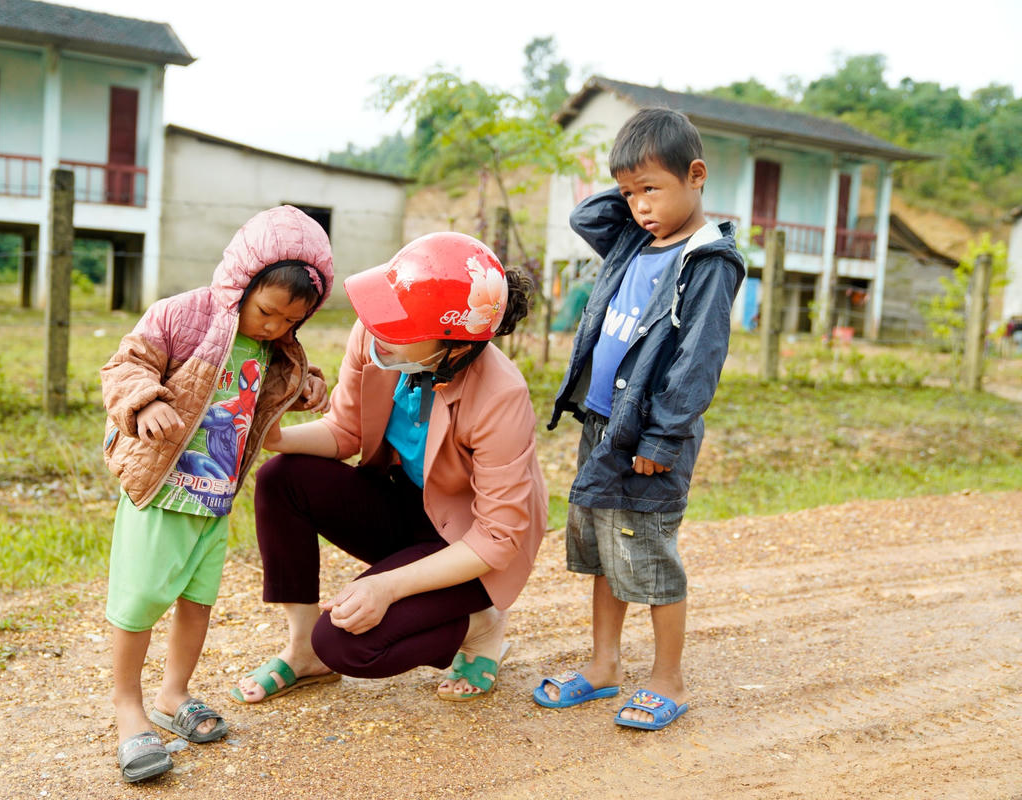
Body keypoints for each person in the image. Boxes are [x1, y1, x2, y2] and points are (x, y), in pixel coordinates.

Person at [230, 232, 546, 706]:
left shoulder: (501, 394)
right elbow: (346, 431)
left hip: (470, 543)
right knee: (281, 478)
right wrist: (273, 436)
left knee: (344, 644)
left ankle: (479, 627)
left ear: (455, 347)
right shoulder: (378, 336)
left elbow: (497, 536)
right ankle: (302, 652)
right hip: (409, 506)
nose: (379, 329)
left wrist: (387, 586)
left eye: (402, 325)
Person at [99, 205, 334, 782]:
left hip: (214, 497)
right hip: (161, 489)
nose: (274, 327)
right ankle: (128, 708)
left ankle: (173, 693)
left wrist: (307, 388)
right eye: (266, 311)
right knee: (139, 600)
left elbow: (276, 390)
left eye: (290, 320)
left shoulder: (276, 347)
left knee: (197, 601)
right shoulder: (182, 316)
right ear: (241, 282)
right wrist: (145, 402)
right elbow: (125, 365)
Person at [533, 108, 745, 730]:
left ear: (696, 175)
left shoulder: (708, 261)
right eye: (628, 193)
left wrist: (662, 436)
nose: (638, 206)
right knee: (605, 551)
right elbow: (586, 216)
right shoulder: (632, 238)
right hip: (603, 426)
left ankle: (667, 679)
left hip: (649, 437)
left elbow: (698, 361)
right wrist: (635, 189)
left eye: (651, 188)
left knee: (647, 554)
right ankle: (604, 666)